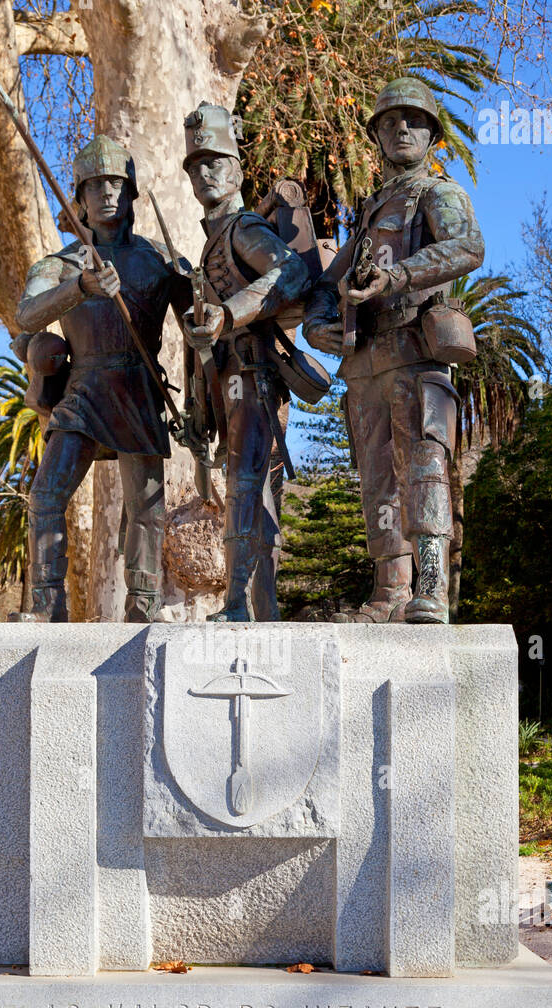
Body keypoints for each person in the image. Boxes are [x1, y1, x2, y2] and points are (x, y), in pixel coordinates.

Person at [303, 77, 484, 624]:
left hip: (415, 354)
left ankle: (430, 589)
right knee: (377, 477)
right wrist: (316, 326)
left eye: (413, 120)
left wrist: (396, 275)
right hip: (364, 368)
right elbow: (324, 282)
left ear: (432, 133)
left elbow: (469, 247)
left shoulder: (439, 192)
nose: (400, 128)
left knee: (424, 469)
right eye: (388, 121)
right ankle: (390, 593)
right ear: (376, 136)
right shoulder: (366, 212)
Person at [14, 135, 191, 622]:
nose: (107, 193)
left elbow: (199, 327)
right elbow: (27, 314)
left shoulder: (160, 259)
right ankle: (47, 604)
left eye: (116, 184)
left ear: (131, 194)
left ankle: (145, 602)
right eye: (95, 186)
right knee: (47, 495)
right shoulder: (60, 264)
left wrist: (199, 310)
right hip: (84, 389)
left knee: (148, 508)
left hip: (138, 388)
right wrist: (80, 287)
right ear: (80, 198)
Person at [181, 103, 311, 622]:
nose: (205, 174)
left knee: (246, 484)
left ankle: (240, 605)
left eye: (215, 162)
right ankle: (256, 605)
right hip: (227, 378)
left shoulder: (243, 229)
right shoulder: (212, 241)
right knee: (251, 486)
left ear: (236, 168)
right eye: (196, 166)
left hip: (254, 375)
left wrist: (227, 315)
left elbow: (292, 274)